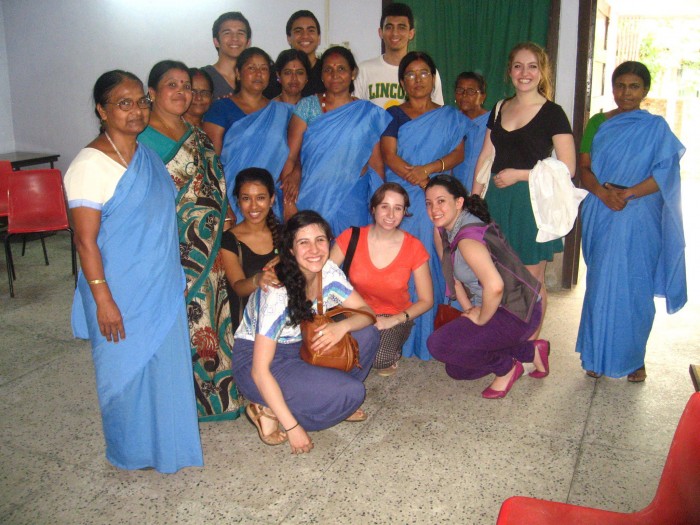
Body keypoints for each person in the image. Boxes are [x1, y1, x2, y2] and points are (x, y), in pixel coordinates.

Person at [65, 70, 202, 472]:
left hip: (158, 284)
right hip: (117, 290)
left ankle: (166, 447)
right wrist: (103, 300)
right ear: (101, 110)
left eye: (141, 101)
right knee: (124, 374)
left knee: (163, 369)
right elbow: (85, 242)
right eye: (124, 103)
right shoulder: (89, 165)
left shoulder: (145, 155)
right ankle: (130, 451)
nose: (137, 110)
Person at [139, 60, 242, 422]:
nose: (183, 92)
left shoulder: (195, 132)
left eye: (187, 86)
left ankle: (217, 398)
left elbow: (215, 178)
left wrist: (226, 210)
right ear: (152, 93)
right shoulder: (141, 140)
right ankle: (179, 403)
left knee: (213, 320)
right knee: (180, 325)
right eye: (173, 85)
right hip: (171, 251)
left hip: (210, 248)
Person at [231, 210, 380, 453]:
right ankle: (267, 408)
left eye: (320, 240)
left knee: (368, 335)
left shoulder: (329, 272)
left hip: (301, 347)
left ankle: (330, 399)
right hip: (262, 362)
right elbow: (260, 370)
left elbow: (367, 312)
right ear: (290, 249)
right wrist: (292, 428)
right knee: (353, 392)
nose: (314, 249)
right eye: (303, 242)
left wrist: (342, 326)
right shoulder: (278, 291)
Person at [576, 61, 686, 382]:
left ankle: (634, 358)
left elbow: (666, 175)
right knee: (599, 285)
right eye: (620, 85)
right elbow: (584, 168)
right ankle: (594, 355)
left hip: (640, 215)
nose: (626, 92)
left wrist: (628, 193)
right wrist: (602, 192)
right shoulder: (597, 122)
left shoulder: (656, 128)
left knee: (637, 287)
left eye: (634, 86)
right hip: (602, 209)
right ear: (612, 89)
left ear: (645, 91)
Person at [472, 42, 575, 340]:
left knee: (530, 279)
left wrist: (520, 175)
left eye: (532, 66)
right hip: (498, 201)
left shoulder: (552, 113)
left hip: (532, 204)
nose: (525, 73)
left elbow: (567, 168)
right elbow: (485, 156)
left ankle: (529, 345)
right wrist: (474, 200)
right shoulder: (500, 107)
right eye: (518, 66)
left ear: (542, 72)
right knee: (500, 275)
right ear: (510, 70)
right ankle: (508, 338)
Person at [380, 50, 471, 360]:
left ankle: (436, 337)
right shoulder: (393, 114)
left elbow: (458, 154)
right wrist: (418, 180)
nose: (417, 80)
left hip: (438, 200)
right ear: (402, 81)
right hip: (404, 200)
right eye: (410, 75)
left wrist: (428, 173)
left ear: (433, 79)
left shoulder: (450, 116)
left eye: (423, 74)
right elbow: (389, 156)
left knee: (438, 262)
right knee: (404, 264)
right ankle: (402, 341)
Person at [425, 175, 549, 399]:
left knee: (438, 344)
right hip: (493, 306)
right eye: (429, 203)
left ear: (459, 202)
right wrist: (467, 310)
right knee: (457, 368)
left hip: (517, 311)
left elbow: (495, 286)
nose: (434, 209)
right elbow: (452, 276)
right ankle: (528, 352)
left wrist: (481, 317)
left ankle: (507, 368)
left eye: (441, 201)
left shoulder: (467, 238)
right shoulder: (444, 228)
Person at [282, 46, 391, 234]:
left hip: (352, 200)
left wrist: (380, 208)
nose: (334, 75)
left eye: (341, 69)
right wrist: (288, 203)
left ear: (353, 73)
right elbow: (290, 157)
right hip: (311, 197)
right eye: (328, 70)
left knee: (351, 256)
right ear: (322, 75)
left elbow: (376, 164)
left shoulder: (367, 113)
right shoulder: (307, 106)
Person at [330, 183, 433, 375]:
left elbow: (427, 300)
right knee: (330, 349)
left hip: (391, 315)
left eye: (398, 208)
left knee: (378, 359)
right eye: (385, 206)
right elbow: (323, 276)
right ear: (374, 208)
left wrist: (393, 320)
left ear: (405, 212)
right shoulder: (351, 236)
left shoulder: (414, 247)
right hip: (352, 311)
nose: (391, 214)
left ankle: (391, 350)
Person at [203, 48, 292, 221]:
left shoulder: (282, 112)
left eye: (264, 68)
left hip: (268, 203)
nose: (258, 74)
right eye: (251, 68)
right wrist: (224, 205)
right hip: (230, 199)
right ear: (238, 73)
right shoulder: (221, 108)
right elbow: (210, 162)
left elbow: (290, 157)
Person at [220, 168, 281, 334]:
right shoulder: (229, 240)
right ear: (238, 202)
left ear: (272, 199)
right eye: (246, 198)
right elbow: (238, 287)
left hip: (284, 327)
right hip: (248, 330)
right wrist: (258, 280)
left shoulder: (286, 235)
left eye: (260, 198)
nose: (254, 206)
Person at [354, 2, 444, 109]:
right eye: (389, 27)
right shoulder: (363, 70)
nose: (395, 33)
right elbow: (355, 113)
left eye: (401, 27)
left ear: (411, 33)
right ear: (380, 32)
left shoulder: (426, 71)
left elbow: (437, 113)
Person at [264, 10, 324, 99]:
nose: (305, 36)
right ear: (289, 38)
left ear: (319, 38)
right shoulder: (272, 75)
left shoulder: (327, 72)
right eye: (298, 31)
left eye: (311, 30)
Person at [452, 72, 490, 192]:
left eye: (471, 91)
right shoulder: (451, 120)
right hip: (454, 191)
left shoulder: (493, 122)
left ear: (483, 96)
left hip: (482, 191)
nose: (464, 95)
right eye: (460, 90)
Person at [203, 11, 251, 99]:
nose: (235, 38)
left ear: (248, 42)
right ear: (216, 41)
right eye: (227, 33)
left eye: (240, 33)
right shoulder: (203, 77)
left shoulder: (257, 77)